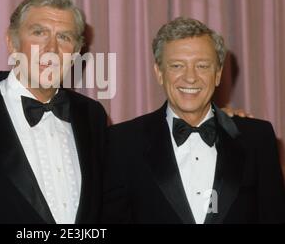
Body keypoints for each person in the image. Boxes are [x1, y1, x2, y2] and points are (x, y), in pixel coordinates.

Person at [0, 0, 108, 224]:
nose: (51, 48)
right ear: (12, 43)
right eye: (39, 33)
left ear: (76, 52)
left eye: (64, 37)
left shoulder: (92, 115)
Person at [102, 17, 285, 224]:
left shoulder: (257, 138)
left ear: (218, 74)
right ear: (159, 73)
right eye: (177, 66)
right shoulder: (122, 142)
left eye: (202, 66)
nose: (190, 78)